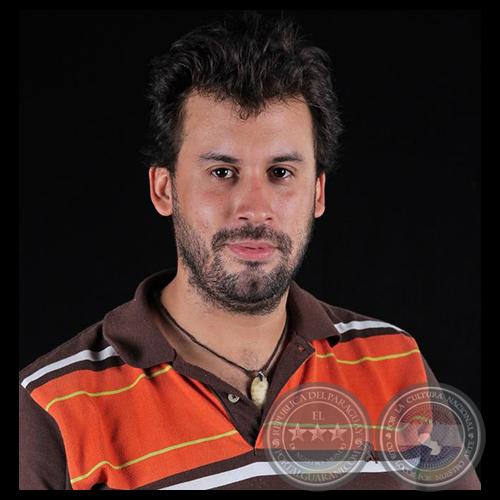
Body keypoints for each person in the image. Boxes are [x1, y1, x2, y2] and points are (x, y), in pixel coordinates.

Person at [19, 11, 480, 490]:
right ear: (164, 189)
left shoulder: (395, 361)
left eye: (281, 173)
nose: (254, 209)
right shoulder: (53, 406)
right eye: (222, 172)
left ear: (318, 193)